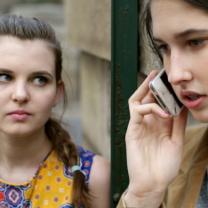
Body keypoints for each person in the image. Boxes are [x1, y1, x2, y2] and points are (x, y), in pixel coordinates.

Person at [0, 14, 110, 208]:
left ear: (58, 92)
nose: (20, 95)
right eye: (5, 77)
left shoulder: (93, 176)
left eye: (39, 79)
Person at [117, 0, 208, 207]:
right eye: (164, 48)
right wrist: (143, 196)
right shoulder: (177, 155)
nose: (175, 75)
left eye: (195, 42)